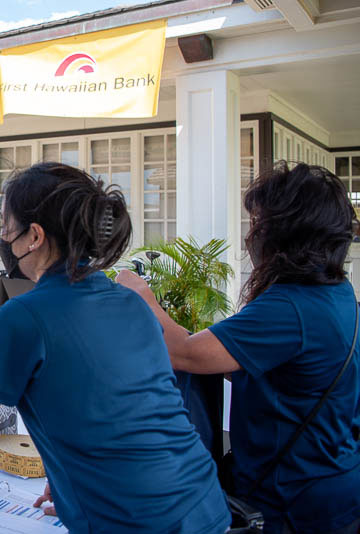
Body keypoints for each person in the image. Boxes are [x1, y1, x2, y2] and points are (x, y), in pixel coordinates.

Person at [0, 162, 231, 534]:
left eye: (5, 224)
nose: (2, 236)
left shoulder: (23, 318)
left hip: (132, 520)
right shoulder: (132, 303)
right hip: (206, 503)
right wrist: (68, 476)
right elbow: (131, 407)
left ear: (33, 236)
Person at [117, 162, 360, 534]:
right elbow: (250, 363)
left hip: (296, 502)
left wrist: (142, 296)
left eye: (259, 223)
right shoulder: (335, 292)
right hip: (333, 483)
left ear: (287, 232)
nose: (252, 235)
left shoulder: (291, 305)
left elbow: (184, 353)